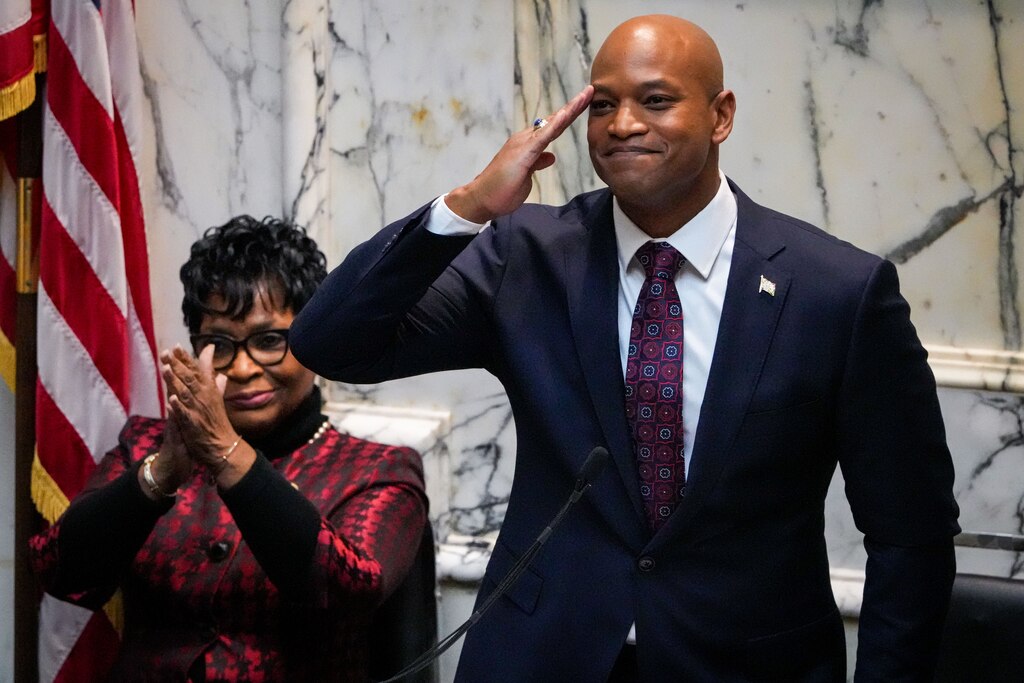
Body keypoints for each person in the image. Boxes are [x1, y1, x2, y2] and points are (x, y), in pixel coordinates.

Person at [290, 14, 960, 683]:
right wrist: (467, 206)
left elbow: (912, 534)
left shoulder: (836, 292)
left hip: (746, 661)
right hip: (544, 654)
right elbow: (331, 341)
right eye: (602, 105)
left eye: (656, 100)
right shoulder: (523, 255)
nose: (623, 124)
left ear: (720, 115)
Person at [29, 216, 428, 682]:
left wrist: (225, 451)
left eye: (269, 340)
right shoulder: (145, 445)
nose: (241, 368)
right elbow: (57, 570)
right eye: (219, 343)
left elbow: (349, 590)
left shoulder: (377, 469)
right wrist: (158, 477)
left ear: (316, 336)